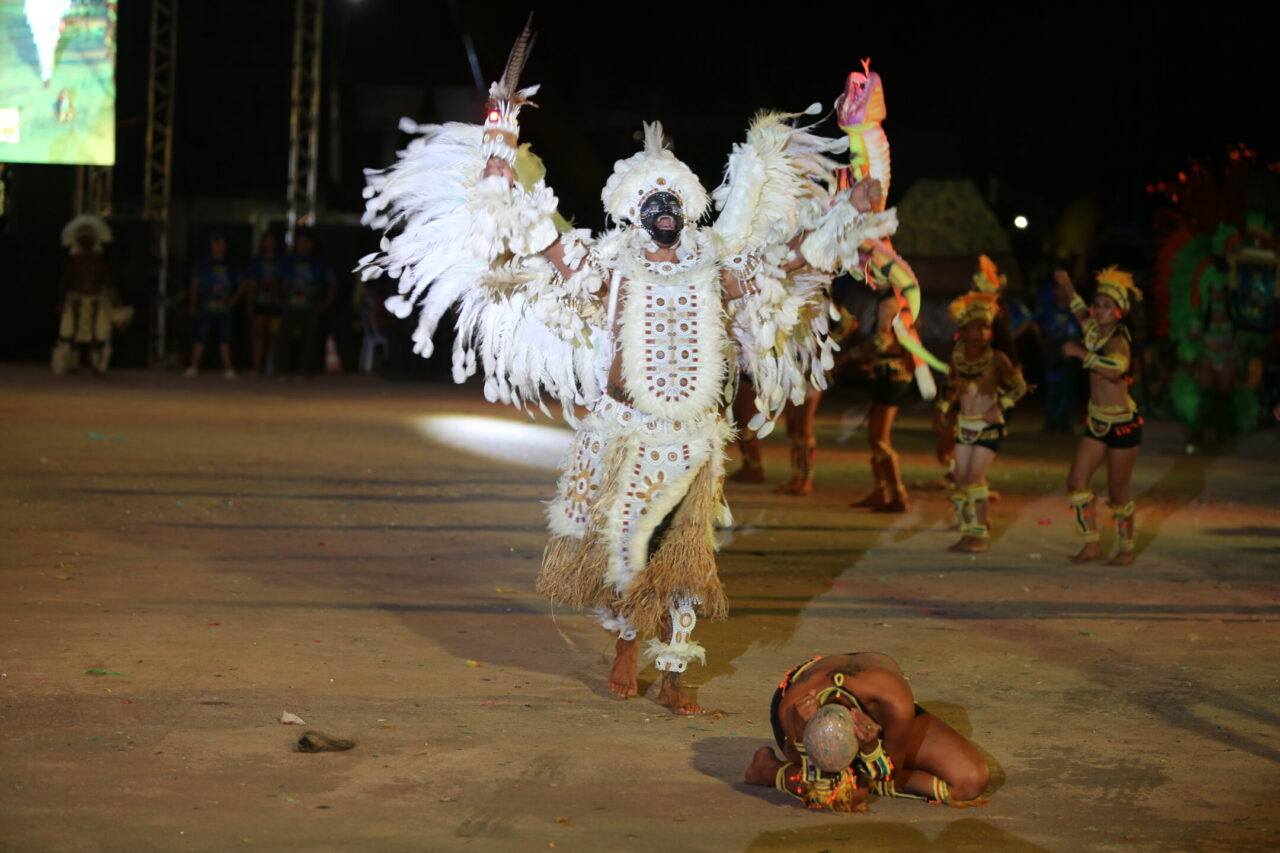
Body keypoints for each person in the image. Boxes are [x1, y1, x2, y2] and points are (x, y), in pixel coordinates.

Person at [360, 34, 893, 715]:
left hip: (693, 438)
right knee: (627, 551)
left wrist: (863, 153)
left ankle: (673, 671)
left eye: (673, 199)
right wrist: (500, 139)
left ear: (689, 207)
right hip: (626, 434)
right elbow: (525, 232)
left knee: (686, 557)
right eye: (652, 201)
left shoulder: (719, 268)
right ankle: (625, 644)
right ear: (633, 211)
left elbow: (813, 245)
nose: (663, 209)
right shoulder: (604, 269)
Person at [743, 652, 989, 812]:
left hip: (878, 704)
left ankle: (857, 776)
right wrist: (803, 736)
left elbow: (890, 771)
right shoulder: (794, 707)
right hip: (804, 720)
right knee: (845, 796)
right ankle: (769, 770)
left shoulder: (892, 701)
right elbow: (801, 761)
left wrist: (871, 749)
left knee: (969, 780)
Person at [1058, 267, 1143, 565]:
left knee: (1118, 491)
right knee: (1076, 480)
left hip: (1122, 425)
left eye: (1108, 306)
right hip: (1097, 422)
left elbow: (1115, 370)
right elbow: (1080, 311)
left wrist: (1079, 353)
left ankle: (1126, 548)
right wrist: (1067, 284)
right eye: (1099, 304)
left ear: (1120, 312)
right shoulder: (1094, 330)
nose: (1101, 310)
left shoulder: (1119, 340)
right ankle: (1091, 545)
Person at [935, 291, 1027, 552]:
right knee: (961, 481)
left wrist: (1000, 405)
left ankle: (980, 536)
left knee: (975, 479)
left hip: (988, 427)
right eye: (975, 327)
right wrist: (943, 407)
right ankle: (969, 531)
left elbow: (1019, 387)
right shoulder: (958, 357)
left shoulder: (998, 359)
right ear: (963, 331)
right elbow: (951, 386)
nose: (981, 333)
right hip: (965, 425)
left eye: (986, 327)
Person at [52, 214, 123, 375]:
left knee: (97, 335)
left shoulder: (99, 262)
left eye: (89, 238)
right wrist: (61, 302)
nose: (86, 241)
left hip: (96, 300)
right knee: (72, 335)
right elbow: (65, 283)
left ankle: (97, 364)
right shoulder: (73, 262)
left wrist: (116, 301)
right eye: (83, 238)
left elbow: (108, 282)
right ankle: (72, 363)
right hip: (75, 300)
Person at [275, 229, 336, 375]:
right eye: (300, 242)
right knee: (284, 338)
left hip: (311, 306)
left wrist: (327, 301)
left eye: (305, 242)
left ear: (312, 244)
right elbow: (275, 278)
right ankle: (282, 369)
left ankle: (305, 369)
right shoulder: (288, 261)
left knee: (310, 339)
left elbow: (332, 281)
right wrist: (277, 297)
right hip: (290, 305)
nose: (302, 245)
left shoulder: (318, 262)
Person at [186, 233, 246, 378]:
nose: (219, 246)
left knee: (225, 337)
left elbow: (244, 282)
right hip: (205, 307)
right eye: (216, 242)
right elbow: (194, 284)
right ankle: (194, 366)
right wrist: (193, 303)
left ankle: (228, 367)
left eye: (222, 243)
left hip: (224, 309)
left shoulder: (231, 265)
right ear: (211, 244)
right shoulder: (203, 263)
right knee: (200, 335)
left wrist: (234, 299)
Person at [246, 232, 284, 375]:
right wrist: (250, 302)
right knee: (258, 335)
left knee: (274, 335)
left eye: (272, 241)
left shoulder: (281, 261)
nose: (269, 244)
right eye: (267, 241)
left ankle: (272, 366)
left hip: (275, 304)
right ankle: (257, 366)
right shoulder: (256, 261)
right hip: (260, 302)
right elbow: (250, 283)